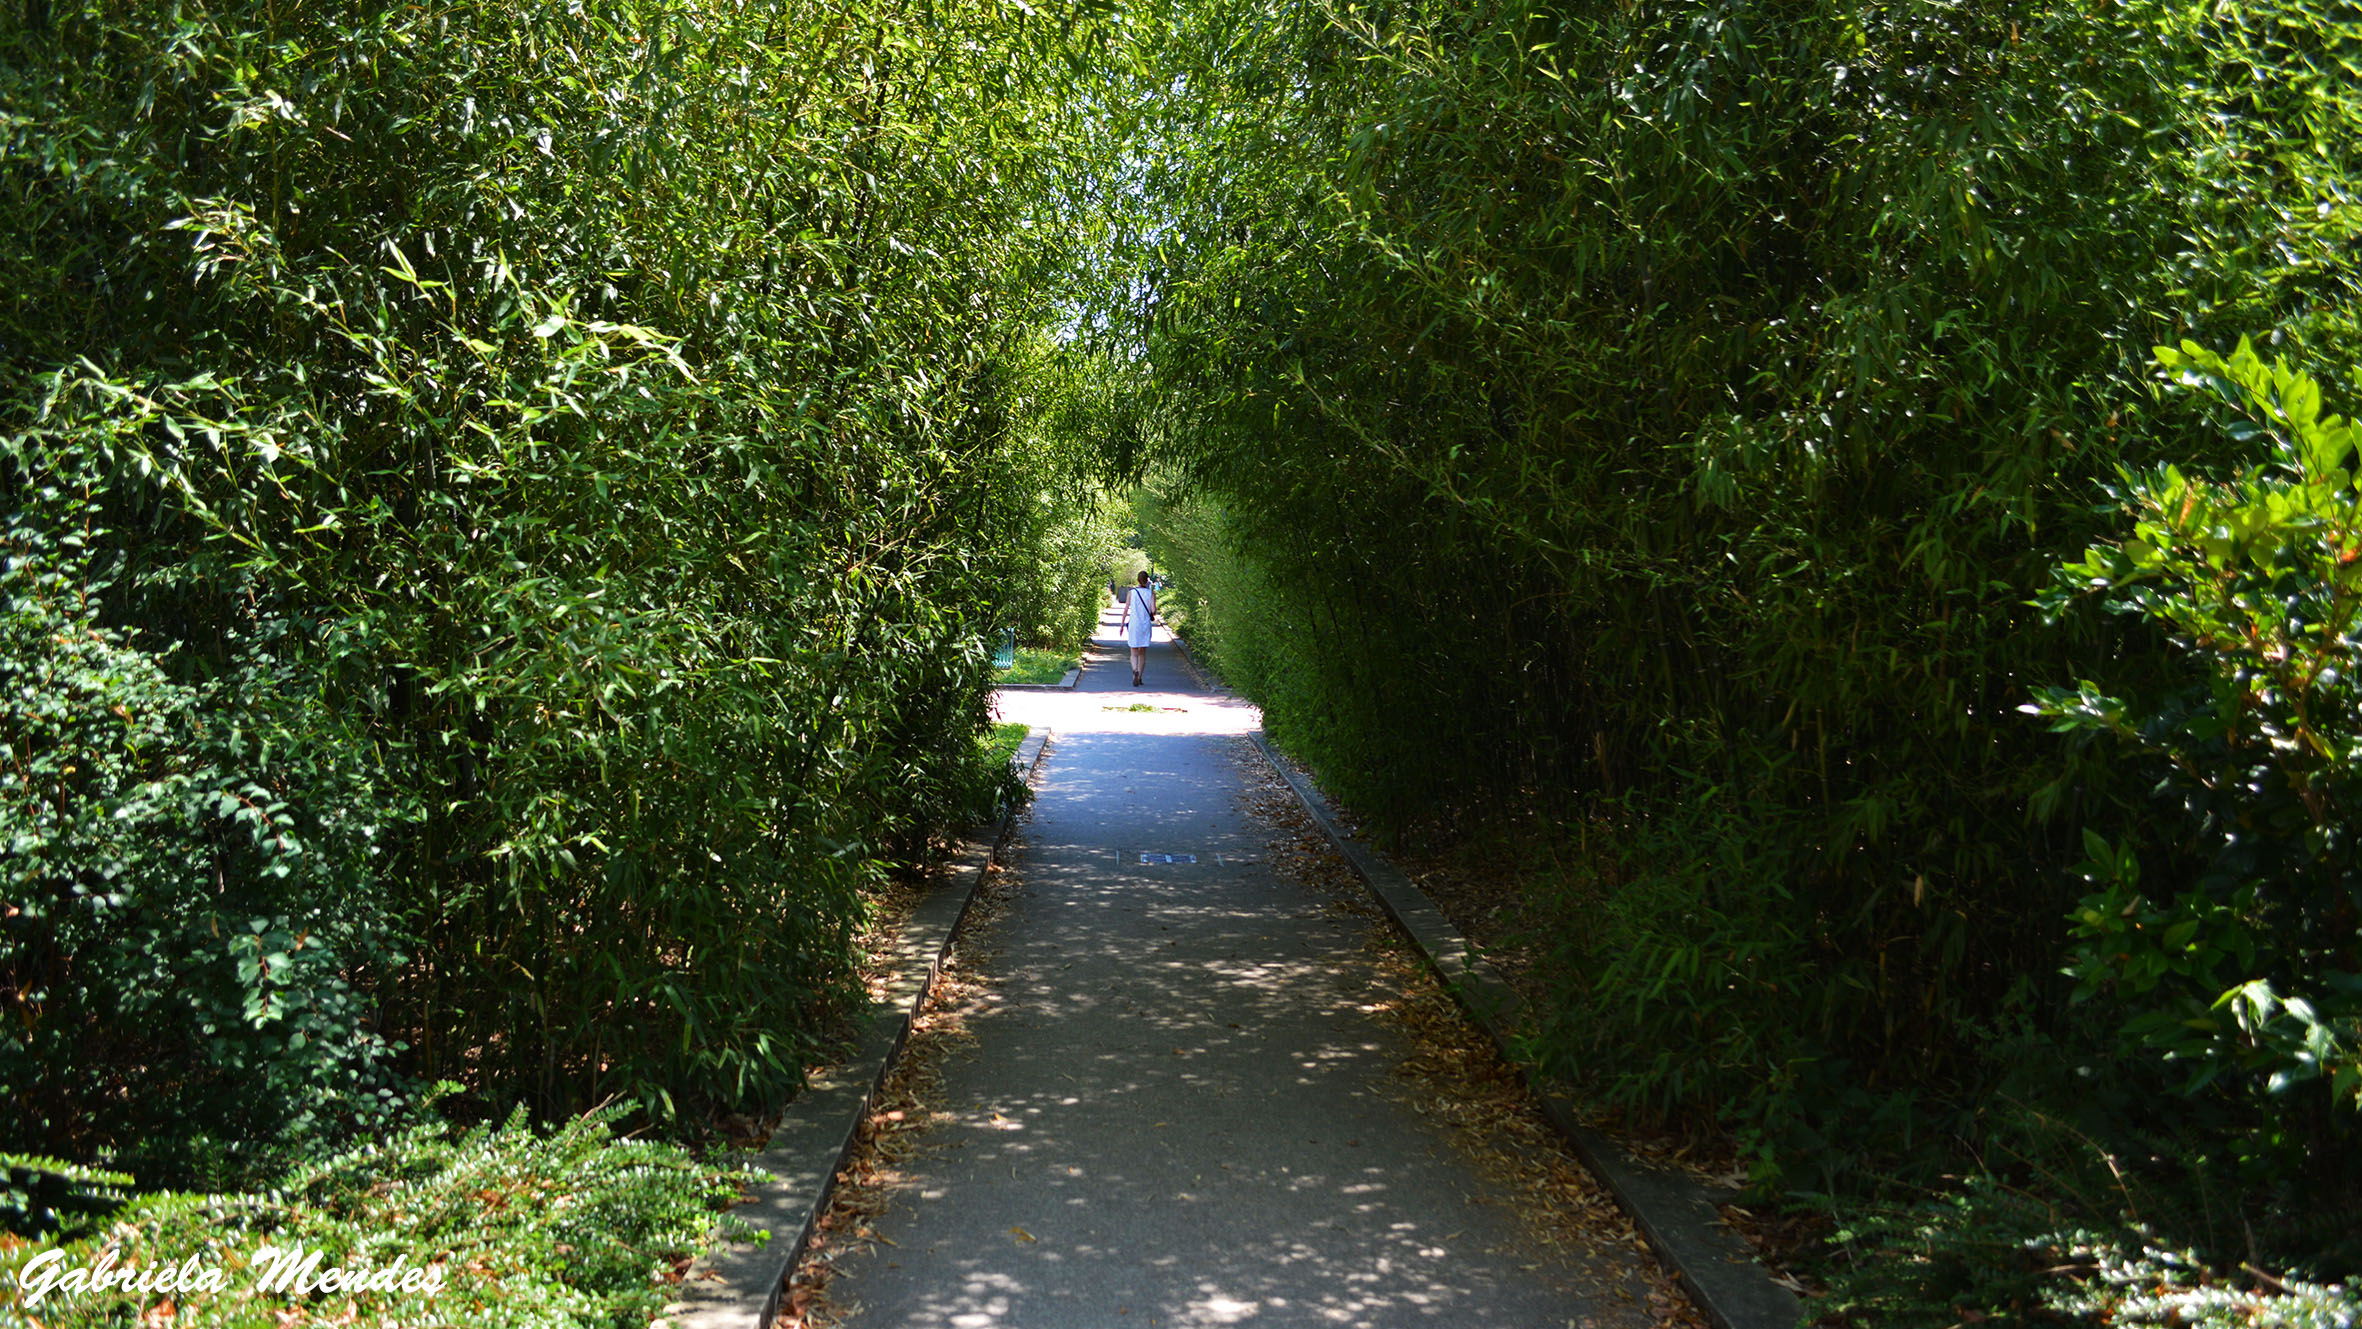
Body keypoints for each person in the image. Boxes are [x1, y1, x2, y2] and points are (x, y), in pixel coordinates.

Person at [1118, 570, 1156, 686]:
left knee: (1133, 652)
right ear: (1147, 580)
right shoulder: (1151, 594)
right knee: (1142, 652)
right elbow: (1153, 611)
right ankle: (1139, 677)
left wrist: (1122, 624)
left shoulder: (1132, 592)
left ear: (1138, 580)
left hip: (1134, 624)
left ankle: (1135, 670)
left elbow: (1126, 609)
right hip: (1145, 625)